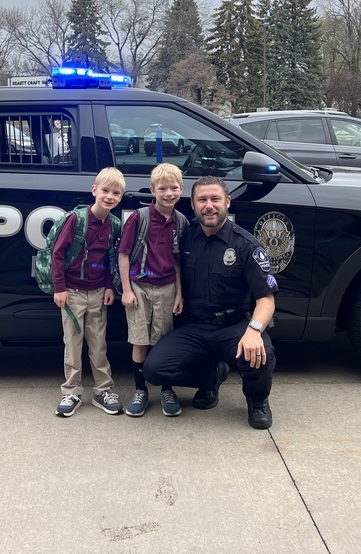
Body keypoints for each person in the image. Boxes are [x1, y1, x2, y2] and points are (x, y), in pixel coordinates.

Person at [143, 176, 278, 429]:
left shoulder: (245, 245)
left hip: (233, 326)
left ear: (227, 201)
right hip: (194, 327)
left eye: (215, 199)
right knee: (154, 370)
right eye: (202, 200)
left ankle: (258, 400)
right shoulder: (184, 237)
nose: (209, 206)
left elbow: (266, 298)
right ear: (193, 205)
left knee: (261, 354)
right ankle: (210, 378)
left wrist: (254, 331)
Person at [53, 167, 125, 417]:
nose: (110, 196)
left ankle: (103, 390)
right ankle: (71, 391)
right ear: (94, 190)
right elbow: (57, 253)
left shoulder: (114, 225)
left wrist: (108, 286)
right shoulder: (77, 219)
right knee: (72, 344)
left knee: (98, 344)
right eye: (105, 190)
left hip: (97, 293)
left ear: (121, 197)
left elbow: (110, 260)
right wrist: (59, 288)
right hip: (71, 292)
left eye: (116, 193)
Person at [117, 163, 186, 417]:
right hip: (139, 286)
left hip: (167, 287)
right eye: (163, 188)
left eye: (174, 188)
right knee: (139, 339)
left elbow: (179, 261)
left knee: (163, 339)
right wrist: (126, 289)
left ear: (182, 189)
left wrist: (179, 293)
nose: (169, 193)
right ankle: (140, 390)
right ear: (152, 190)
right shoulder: (140, 218)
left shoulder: (181, 222)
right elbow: (123, 255)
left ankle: (167, 389)